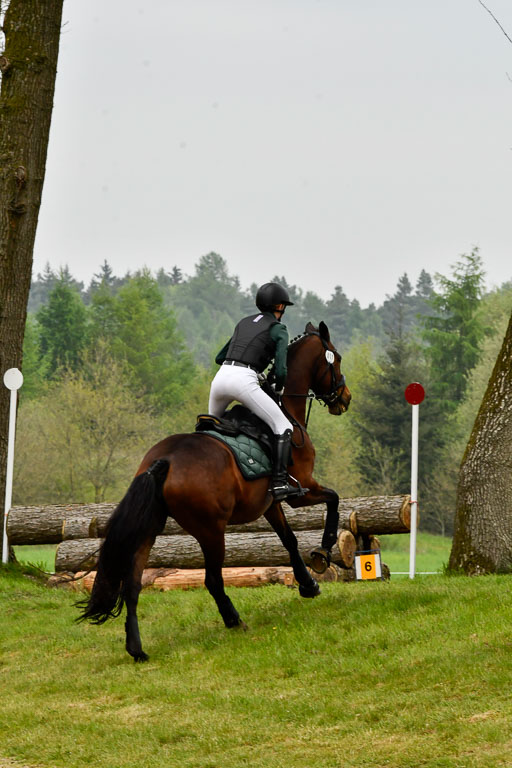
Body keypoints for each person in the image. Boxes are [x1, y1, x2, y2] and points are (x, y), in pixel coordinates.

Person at [209, 282, 302, 501]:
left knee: (210, 429)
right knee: (283, 426)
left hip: (220, 379)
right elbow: (281, 369)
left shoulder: (243, 323)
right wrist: (277, 386)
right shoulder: (278, 328)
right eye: (284, 306)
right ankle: (279, 484)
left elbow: (219, 357)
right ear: (279, 306)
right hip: (244, 381)